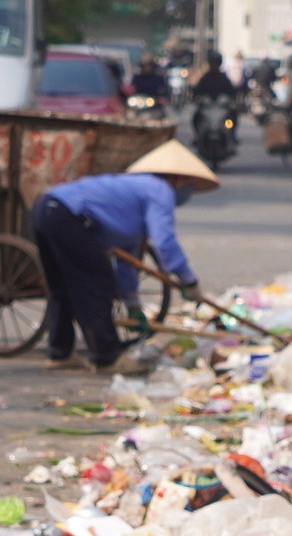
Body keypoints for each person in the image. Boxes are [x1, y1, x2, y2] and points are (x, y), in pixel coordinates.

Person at [31, 141, 218, 371]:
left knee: (62, 287)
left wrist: (132, 303)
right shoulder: (160, 190)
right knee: (96, 283)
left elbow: (127, 260)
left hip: (45, 208)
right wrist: (189, 280)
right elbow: (164, 241)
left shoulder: (138, 193)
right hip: (68, 216)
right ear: (178, 179)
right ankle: (106, 357)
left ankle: (60, 353)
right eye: (188, 184)